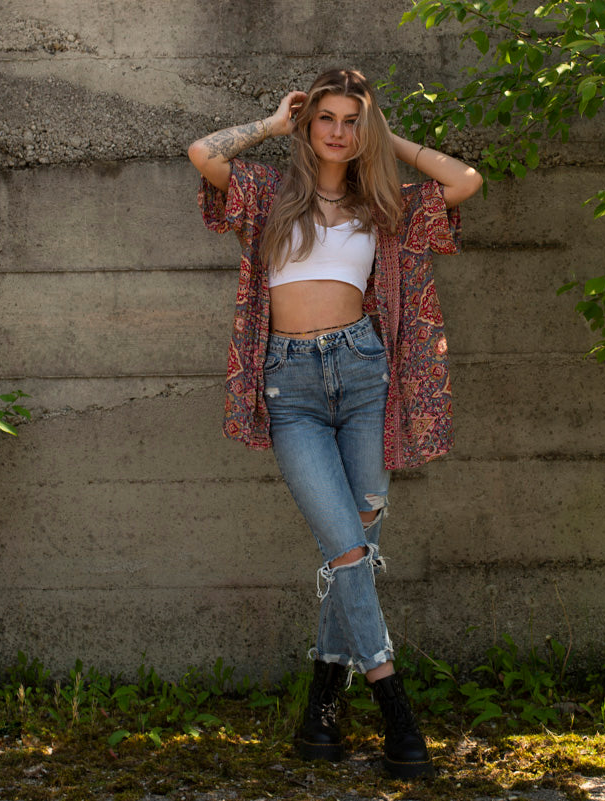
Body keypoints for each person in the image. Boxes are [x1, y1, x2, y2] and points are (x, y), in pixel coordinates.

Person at [188, 68, 481, 779]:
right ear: (308, 122)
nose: (340, 131)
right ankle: (394, 705)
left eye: (354, 120)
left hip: (362, 376)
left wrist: (390, 137)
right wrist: (266, 123)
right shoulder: (265, 195)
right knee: (348, 548)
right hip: (290, 386)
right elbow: (203, 154)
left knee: (354, 541)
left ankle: (321, 709)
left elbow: (465, 181)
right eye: (328, 118)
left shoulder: (383, 205)